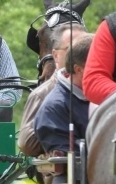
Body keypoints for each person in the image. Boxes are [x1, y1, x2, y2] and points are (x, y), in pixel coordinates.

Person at [18, 23, 87, 157]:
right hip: (62, 171)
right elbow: (26, 143)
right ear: (55, 55)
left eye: (83, 49)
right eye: (70, 49)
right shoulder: (42, 94)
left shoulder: (103, 87)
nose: (79, 55)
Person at [34, 33, 95, 184]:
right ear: (78, 69)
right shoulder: (54, 107)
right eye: (97, 65)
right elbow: (69, 166)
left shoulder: (106, 94)